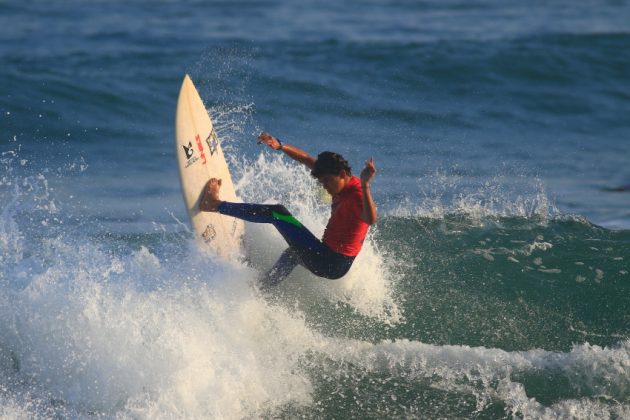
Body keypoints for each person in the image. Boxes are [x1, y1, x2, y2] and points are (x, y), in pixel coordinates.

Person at [200, 132, 377, 290]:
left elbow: (371, 219)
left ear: (343, 174)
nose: (326, 187)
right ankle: (260, 289)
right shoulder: (337, 180)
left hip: (330, 261)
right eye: (322, 183)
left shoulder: (357, 195)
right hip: (332, 261)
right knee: (292, 254)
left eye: (328, 182)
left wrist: (366, 185)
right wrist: (280, 145)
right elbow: (307, 159)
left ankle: (214, 204)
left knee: (277, 213)